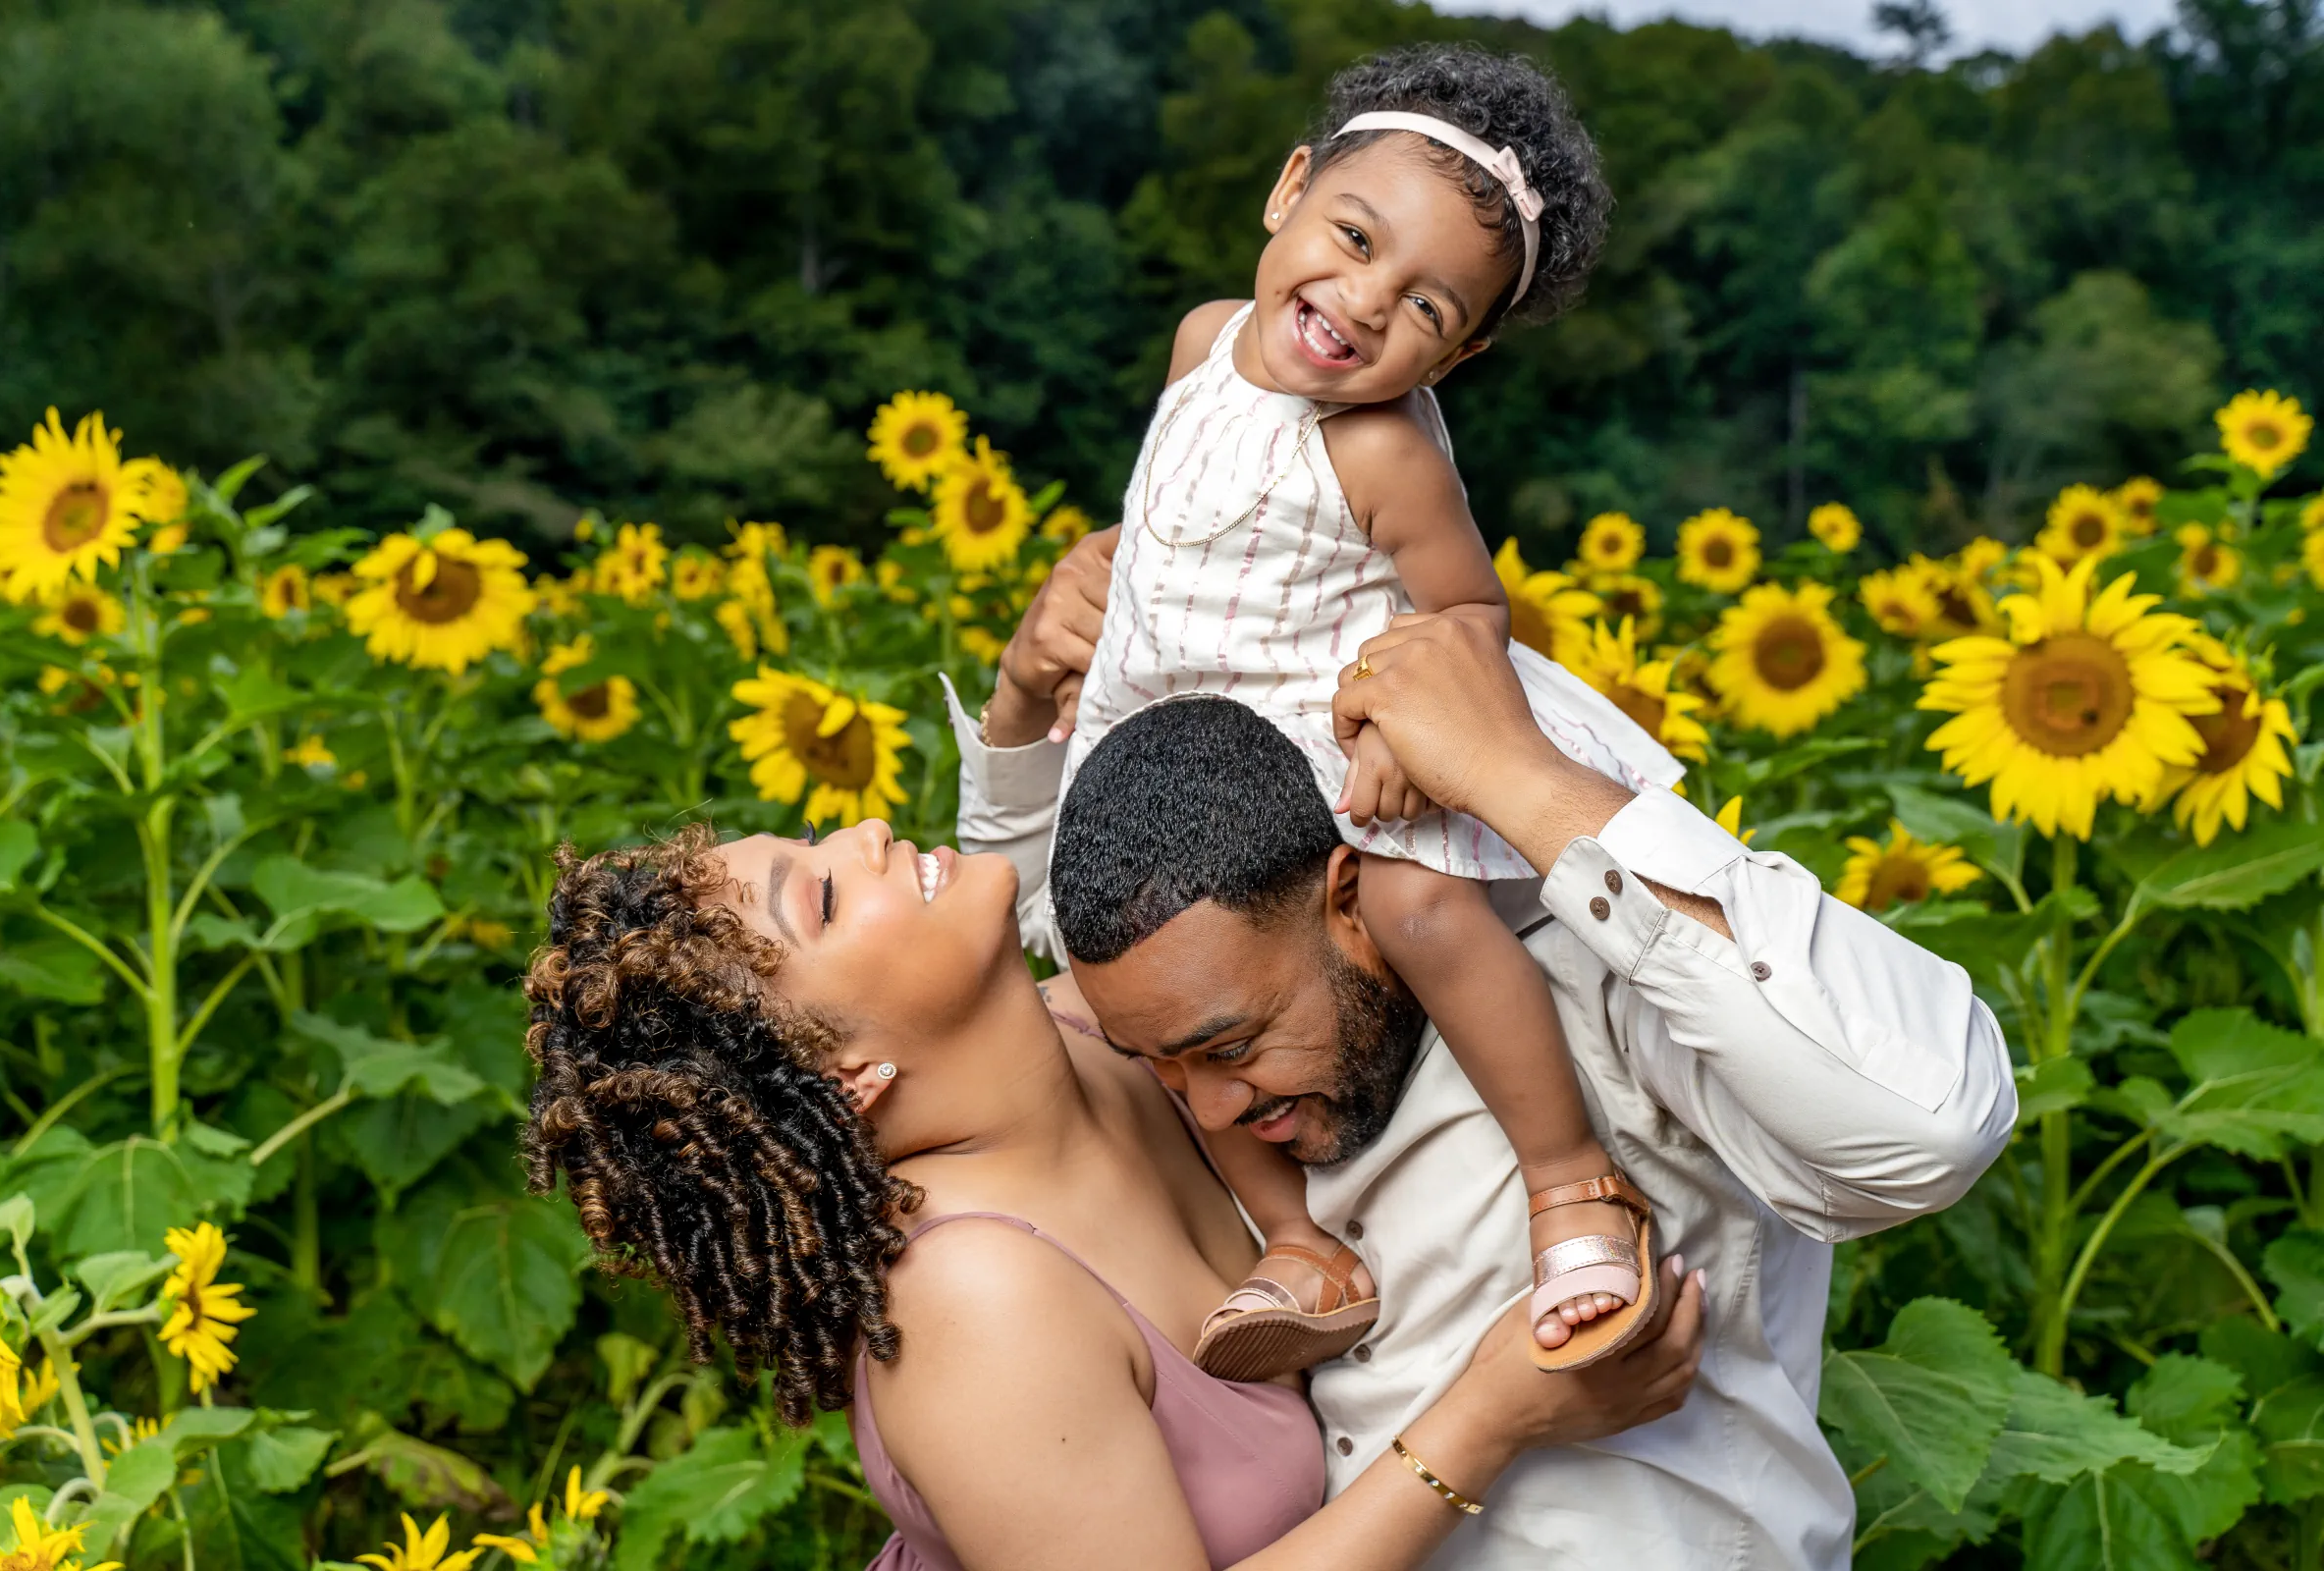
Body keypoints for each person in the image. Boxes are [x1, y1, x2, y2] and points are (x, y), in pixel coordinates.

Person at [956, 568, 2018, 1565]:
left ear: (1351, 896)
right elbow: (1017, 950)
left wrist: (1524, 777)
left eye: (1232, 1049)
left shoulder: (1599, 981)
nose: (1212, 1107)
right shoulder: (1195, 985)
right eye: (1165, 1066)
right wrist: (1018, 710)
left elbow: (1928, 1131)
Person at [519, 820, 1706, 1571]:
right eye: (822, 896)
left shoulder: (1106, 1028)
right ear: (847, 1077)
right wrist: (1490, 1420)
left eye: (816, 839)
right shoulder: (970, 1302)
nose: (869, 830)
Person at [1038, 40, 1678, 1380]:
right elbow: (1188, 505)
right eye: (1351, 235)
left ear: (1468, 349)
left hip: (1313, 757)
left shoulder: (1382, 450)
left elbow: (1472, 616)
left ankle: (1568, 1186)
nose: (1360, 301)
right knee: (1162, 991)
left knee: (1419, 908)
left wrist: (1396, 727)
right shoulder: (1206, 341)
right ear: (1288, 192)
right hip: (1156, 750)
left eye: (1427, 306)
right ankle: (1295, 1247)